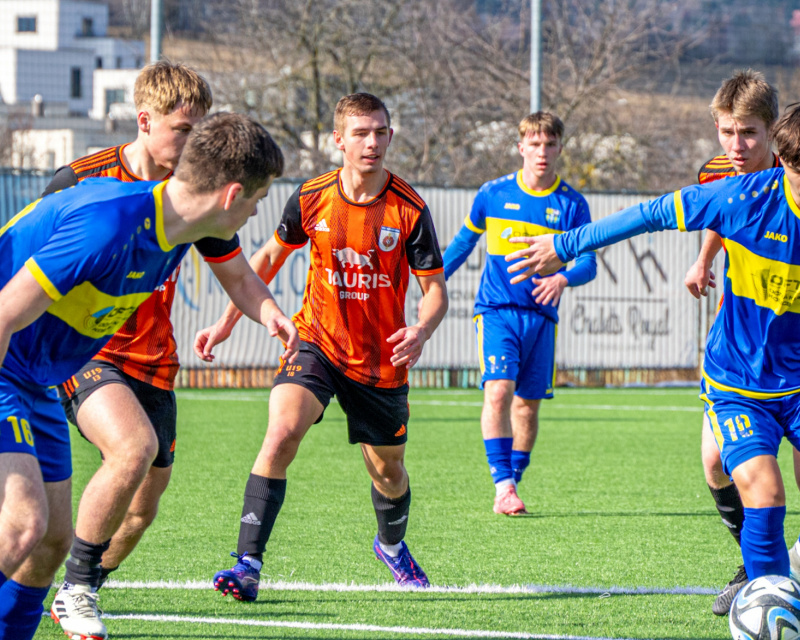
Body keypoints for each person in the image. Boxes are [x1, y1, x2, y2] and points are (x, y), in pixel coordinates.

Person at [0, 112, 298, 640]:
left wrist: (268, 312)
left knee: (55, 539)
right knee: (22, 522)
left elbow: (239, 277)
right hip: (6, 362)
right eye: (258, 200)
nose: (258, 214)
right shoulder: (109, 225)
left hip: (36, 375)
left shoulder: (181, 224)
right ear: (232, 194)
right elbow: (4, 316)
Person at [505, 104, 800, 611]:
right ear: (784, 161)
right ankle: (773, 614)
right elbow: (647, 214)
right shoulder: (740, 196)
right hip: (740, 382)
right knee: (765, 492)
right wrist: (565, 244)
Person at [195, 93, 448, 600]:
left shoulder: (408, 208)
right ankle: (247, 563)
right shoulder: (312, 197)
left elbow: (435, 290)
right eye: (360, 133)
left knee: (389, 471)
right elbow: (264, 260)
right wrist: (226, 322)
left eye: (380, 132)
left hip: (379, 363)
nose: (371, 142)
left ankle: (392, 547)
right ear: (338, 140)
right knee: (282, 431)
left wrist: (421, 331)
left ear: (390, 137)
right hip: (317, 342)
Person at [46, 62, 258, 640]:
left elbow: (239, 277)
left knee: (143, 508)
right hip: (83, 351)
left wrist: (277, 319)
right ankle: (78, 587)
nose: (196, 145)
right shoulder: (82, 182)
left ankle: (77, 583)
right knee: (131, 447)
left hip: (155, 362)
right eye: (183, 131)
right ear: (145, 121)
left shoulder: (194, 193)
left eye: (202, 131)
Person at [441, 111, 596, 515]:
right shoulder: (493, 194)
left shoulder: (572, 205)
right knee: (498, 391)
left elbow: (588, 264)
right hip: (496, 311)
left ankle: (511, 483)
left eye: (549, 144)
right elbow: (461, 246)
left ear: (560, 148)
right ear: (520, 147)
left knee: (527, 406)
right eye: (534, 143)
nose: (541, 152)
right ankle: (503, 483)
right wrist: (430, 280)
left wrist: (563, 280)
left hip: (542, 317)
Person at [683, 70, 792, 616]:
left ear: (772, 131)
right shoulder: (715, 172)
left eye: (747, 133)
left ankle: (770, 574)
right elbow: (716, 214)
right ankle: (755, 564)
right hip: (741, 340)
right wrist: (703, 260)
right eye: (726, 132)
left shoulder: (790, 170)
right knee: (713, 463)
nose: (735, 146)